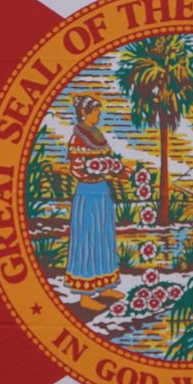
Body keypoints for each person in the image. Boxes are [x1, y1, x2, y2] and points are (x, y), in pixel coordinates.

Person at [65, 95, 126, 311]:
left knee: (104, 237)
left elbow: (110, 162)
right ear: (85, 113)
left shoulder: (98, 135)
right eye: (96, 111)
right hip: (88, 192)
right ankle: (85, 295)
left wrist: (121, 172)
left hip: (102, 192)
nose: (99, 114)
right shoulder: (77, 137)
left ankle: (105, 286)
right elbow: (77, 168)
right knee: (88, 239)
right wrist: (95, 171)